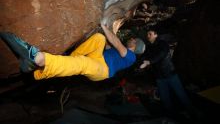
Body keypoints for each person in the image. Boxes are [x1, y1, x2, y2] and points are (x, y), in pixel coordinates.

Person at [0, 24, 145, 81]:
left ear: (135, 45)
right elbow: (108, 46)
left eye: (133, 40)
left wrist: (105, 26)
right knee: (99, 38)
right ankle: (71, 58)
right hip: (99, 58)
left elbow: (116, 42)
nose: (131, 39)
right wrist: (105, 33)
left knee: (82, 63)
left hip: (103, 70)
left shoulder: (131, 56)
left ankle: (38, 59)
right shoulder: (123, 54)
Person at [139, 27, 195, 118]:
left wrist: (149, 62)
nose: (148, 36)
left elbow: (161, 54)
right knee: (165, 98)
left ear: (156, 34)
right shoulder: (149, 47)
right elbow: (144, 56)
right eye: (147, 34)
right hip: (159, 78)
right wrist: (141, 62)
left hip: (170, 74)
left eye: (150, 34)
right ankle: (171, 116)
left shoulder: (163, 44)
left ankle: (192, 113)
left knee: (181, 95)